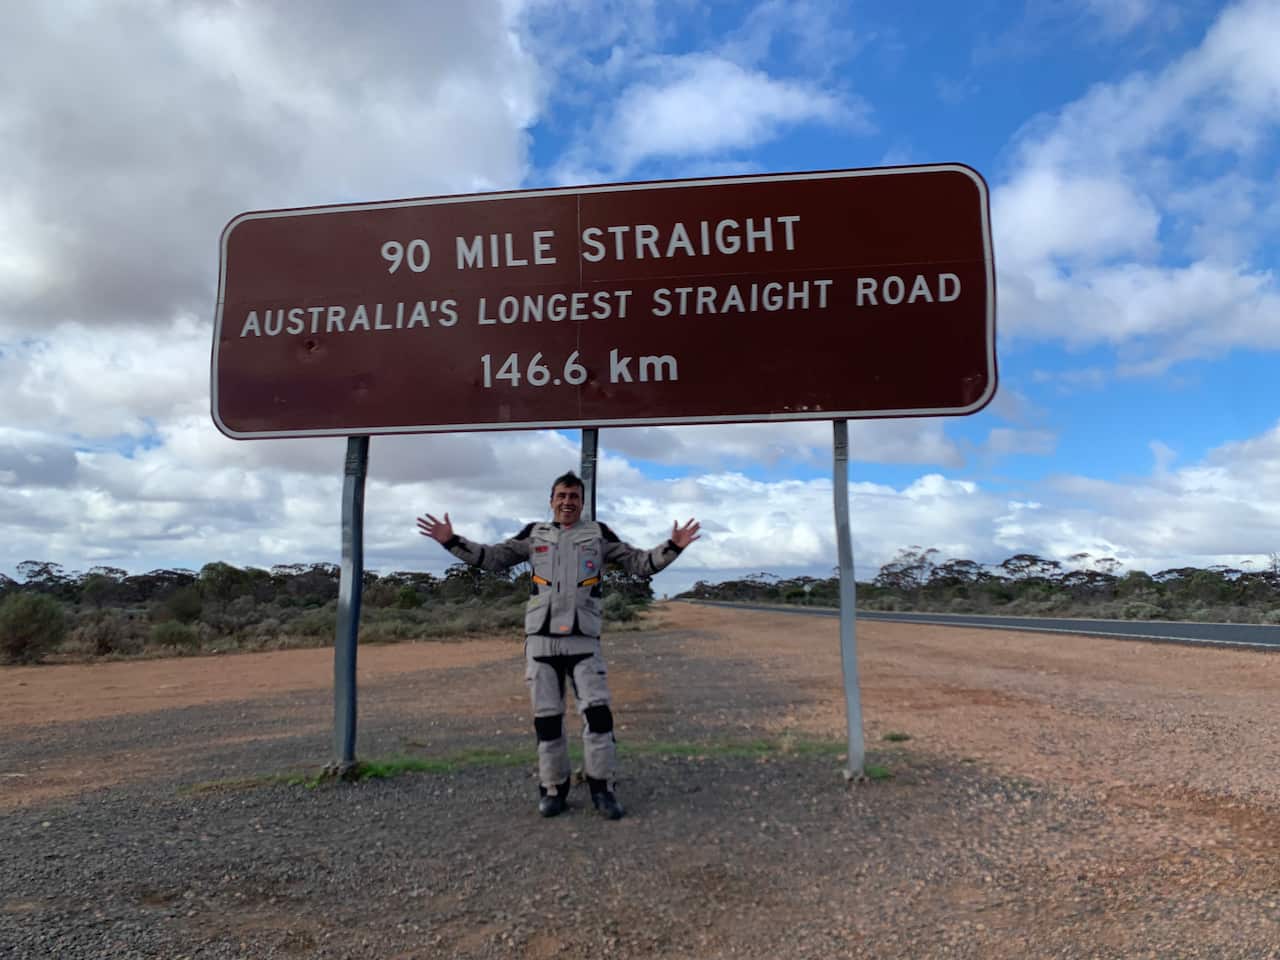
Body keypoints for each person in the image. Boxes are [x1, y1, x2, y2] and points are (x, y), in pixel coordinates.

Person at [417, 471, 699, 820]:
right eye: (561, 496)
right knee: (547, 720)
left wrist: (673, 547)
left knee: (598, 717)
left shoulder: (598, 534)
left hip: (584, 639)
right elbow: (493, 558)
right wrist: (450, 541)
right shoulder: (534, 534)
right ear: (551, 500)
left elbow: (639, 565)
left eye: (574, 497)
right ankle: (553, 788)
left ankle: (603, 787)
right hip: (541, 641)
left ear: (582, 502)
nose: (567, 502)